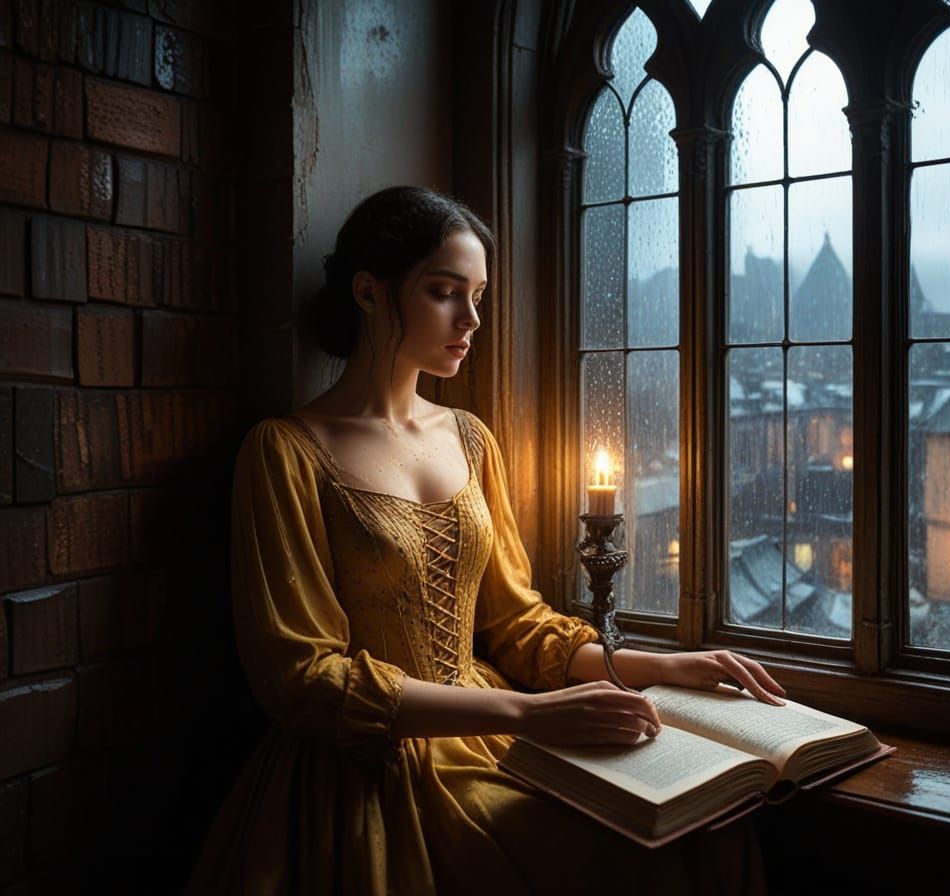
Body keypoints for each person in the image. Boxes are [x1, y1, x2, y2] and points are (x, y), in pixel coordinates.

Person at [185, 186, 785, 895]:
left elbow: (515, 624)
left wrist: (659, 667)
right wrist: (530, 712)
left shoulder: (470, 439)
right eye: (444, 292)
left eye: (478, 295)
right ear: (370, 294)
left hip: (498, 730)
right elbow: (303, 679)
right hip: (374, 765)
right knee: (620, 856)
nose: (470, 318)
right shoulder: (284, 452)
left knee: (711, 828)